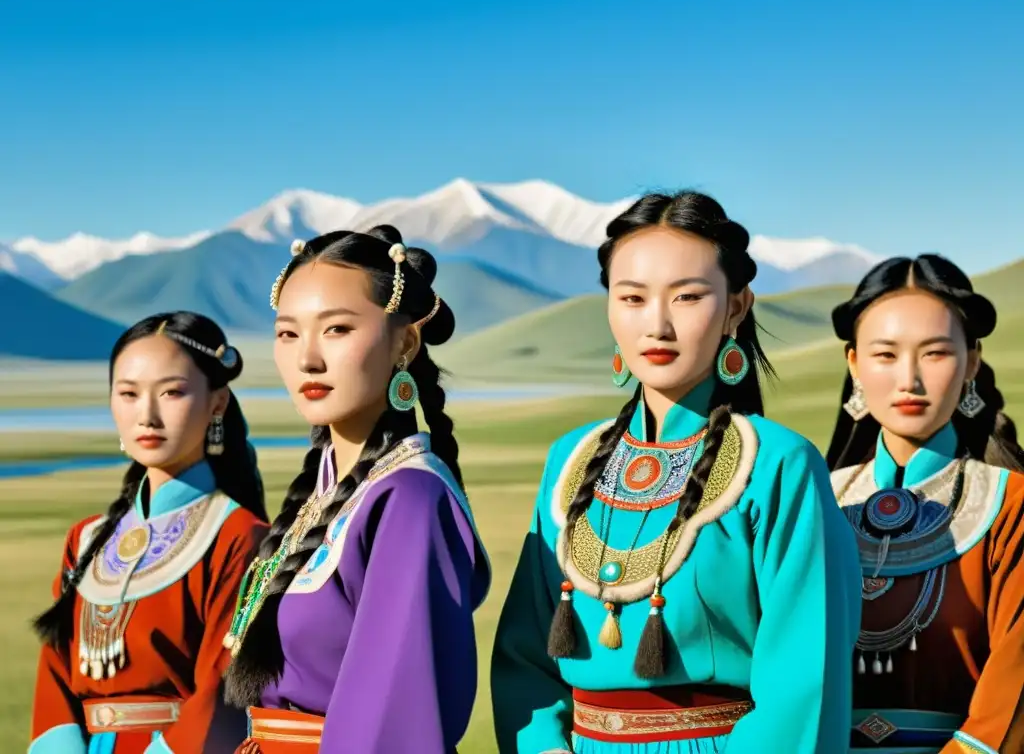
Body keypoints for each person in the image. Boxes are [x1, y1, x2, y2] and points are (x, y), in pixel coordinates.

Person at [490, 190, 862, 754]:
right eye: (632, 298)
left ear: (736, 307)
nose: (656, 324)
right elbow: (523, 659)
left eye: (687, 297)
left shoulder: (781, 465)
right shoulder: (570, 461)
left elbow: (803, 684)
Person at [223, 227, 491, 753]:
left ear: (405, 343)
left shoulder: (410, 499)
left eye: (337, 330)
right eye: (287, 334)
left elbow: (392, 722)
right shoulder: (324, 491)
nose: (307, 360)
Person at [29, 312, 269, 754]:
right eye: (128, 394)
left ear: (217, 403)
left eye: (172, 392)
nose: (147, 415)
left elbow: (222, 689)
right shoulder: (85, 540)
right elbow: (55, 676)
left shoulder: (240, 536)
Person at [826, 254, 1024, 754]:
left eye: (934, 354)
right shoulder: (817, 500)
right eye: (885, 355)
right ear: (853, 363)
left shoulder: (1012, 504)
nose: (908, 379)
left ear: (972, 361)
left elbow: (1016, 687)